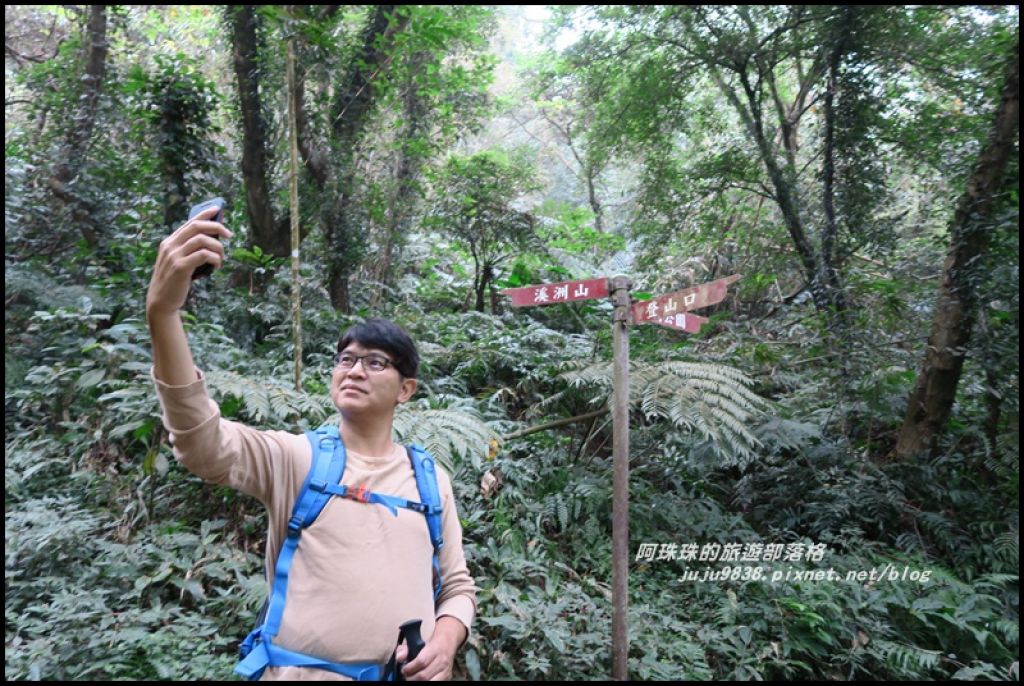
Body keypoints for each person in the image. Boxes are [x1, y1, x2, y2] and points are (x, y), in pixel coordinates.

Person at [146, 204, 477, 680]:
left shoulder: (429, 480)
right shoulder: (296, 458)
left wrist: (445, 643)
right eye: (346, 359)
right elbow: (202, 444)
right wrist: (163, 314)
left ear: (407, 389)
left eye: (376, 362)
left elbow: (458, 587)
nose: (355, 369)